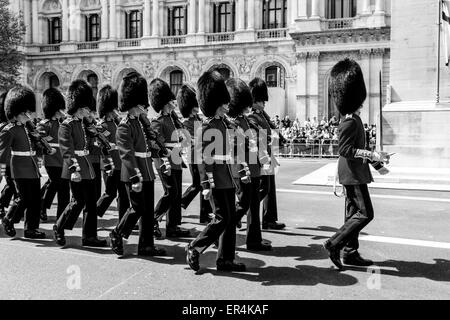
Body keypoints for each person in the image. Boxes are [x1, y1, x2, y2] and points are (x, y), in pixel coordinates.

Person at [323, 59, 390, 270]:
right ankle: (334, 243)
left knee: (353, 213)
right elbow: (345, 150)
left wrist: (377, 157)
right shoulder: (349, 121)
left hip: (355, 171)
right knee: (365, 213)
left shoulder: (354, 119)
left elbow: (357, 148)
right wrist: (370, 154)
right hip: (352, 173)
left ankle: (350, 252)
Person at [186, 70, 245, 272]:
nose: (227, 106)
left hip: (227, 177)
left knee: (229, 220)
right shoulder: (207, 126)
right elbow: (203, 158)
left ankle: (225, 259)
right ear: (216, 104)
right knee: (221, 218)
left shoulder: (223, 123)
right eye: (224, 104)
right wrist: (205, 183)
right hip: (216, 179)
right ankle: (195, 247)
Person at [109, 72, 166, 257]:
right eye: (143, 104)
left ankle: (146, 245)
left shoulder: (141, 124)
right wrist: (135, 176)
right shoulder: (124, 126)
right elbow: (126, 154)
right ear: (134, 104)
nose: (146, 106)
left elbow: (146, 147)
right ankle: (118, 233)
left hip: (147, 171)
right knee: (136, 208)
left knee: (148, 212)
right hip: (135, 174)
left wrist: (158, 149)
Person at [53, 79, 107, 247]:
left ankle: (89, 236)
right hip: (75, 167)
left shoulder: (83, 125)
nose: (89, 111)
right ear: (79, 107)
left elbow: (88, 147)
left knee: (91, 202)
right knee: (77, 201)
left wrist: (104, 147)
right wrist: (74, 168)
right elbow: (66, 150)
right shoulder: (66, 125)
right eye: (86, 108)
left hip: (87, 167)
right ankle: (59, 227)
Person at [225, 78, 272, 251]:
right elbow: (236, 150)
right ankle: (220, 229)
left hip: (254, 167)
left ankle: (254, 240)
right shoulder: (234, 123)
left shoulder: (245, 120)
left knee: (253, 205)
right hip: (243, 169)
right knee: (243, 204)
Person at [0, 85, 51, 239]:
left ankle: (31, 229)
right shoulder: (9, 130)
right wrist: (2, 172)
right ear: (16, 113)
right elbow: (2, 154)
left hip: (32, 166)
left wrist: (41, 150)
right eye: (25, 112)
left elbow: (35, 146)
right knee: (22, 198)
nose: (28, 115)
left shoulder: (29, 128)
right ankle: (8, 219)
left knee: (35, 200)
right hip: (19, 167)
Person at [149, 78, 190, 239]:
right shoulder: (158, 122)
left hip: (176, 160)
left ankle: (172, 226)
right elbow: (157, 145)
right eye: (171, 101)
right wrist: (165, 160)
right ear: (165, 103)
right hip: (166, 161)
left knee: (176, 193)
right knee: (170, 193)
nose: (174, 103)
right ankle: (153, 219)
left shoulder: (171, 119)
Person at [248, 78, 285, 230]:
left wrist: (280, 139)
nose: (264, 103)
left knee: (270, 188)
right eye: (261, 100)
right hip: (261, 157)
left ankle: (269, 218)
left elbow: (271, 130)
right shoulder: (252, 116)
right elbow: (257, 135)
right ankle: (242, 208)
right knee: (264, 188)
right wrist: (271, 138)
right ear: (255, 100)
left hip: (269, 155)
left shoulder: (263, 115)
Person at [177, 83, 213, 224]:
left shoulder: (198, 119)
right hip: (193, 157)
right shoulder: (186, 123)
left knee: (204, 184)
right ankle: (181, 203)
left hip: (202, 156)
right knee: (197, 184)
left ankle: (205, 215)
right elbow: (190, 140)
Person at [95, 85, 130, 221]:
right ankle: (94, 213)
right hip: (111, 165)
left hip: (121, 165)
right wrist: (109, 165)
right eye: (113, 109)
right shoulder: (102, 126)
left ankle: (124, 220)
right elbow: (103, 148)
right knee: (110, 193)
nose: (115, 111)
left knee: (123, 194)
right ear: (106, 110)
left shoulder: (116, 124)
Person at [37, 88, 70, 221]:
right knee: (57, 184)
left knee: (62, 189)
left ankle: (61, 216)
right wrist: (46, 144)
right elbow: (40, 141)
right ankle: (42, 206)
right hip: (51, 160)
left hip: (62, 160)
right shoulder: (44, 124)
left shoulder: (62, 124)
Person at [0, 90, 17, 219]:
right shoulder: (4, 126)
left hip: (15, 160)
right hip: (6, 160)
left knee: (13, 186)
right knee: (13, 185)